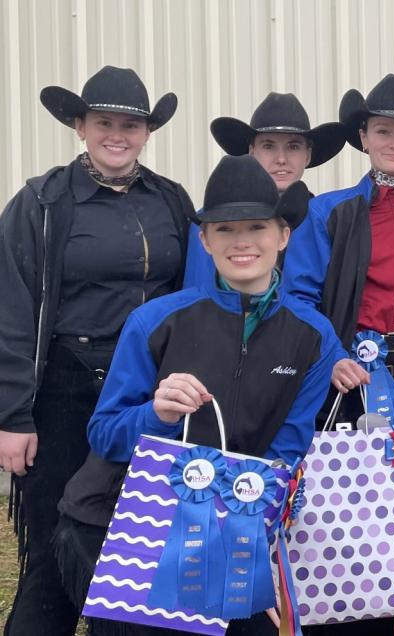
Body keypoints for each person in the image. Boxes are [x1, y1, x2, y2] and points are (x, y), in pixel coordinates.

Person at [53, 154, 341, 634]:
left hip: (236, 528)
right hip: (128, 525)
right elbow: (105, 435)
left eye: (256, 227)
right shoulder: (155, 321)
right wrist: (156, 414)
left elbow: (285, 453)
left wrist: (245, 552)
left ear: (283, 236)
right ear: (204, 240)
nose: (242, 242)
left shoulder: (315, 335)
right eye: (225, 229)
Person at [0, 66, 194, 635]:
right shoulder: (40, 203)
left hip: (145, 388)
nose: (118, 135)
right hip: (63, 386)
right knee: (59, 541)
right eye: (104, 122)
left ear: (147, 133)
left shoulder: (170, 200)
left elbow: (194, 292)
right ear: (80, 126)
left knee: (137, 545)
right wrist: (12, 416)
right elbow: (10, 312)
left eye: (131, 125)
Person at [281, 74, 394, 635]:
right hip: (351, 373)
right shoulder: (329, 212)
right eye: (385, 131)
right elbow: (299, 294)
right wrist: (331, 354)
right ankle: (341, 613)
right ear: (364, 135)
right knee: (347, 502)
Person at [183, 92, 345, 287]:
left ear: (308, 156)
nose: (281, 159)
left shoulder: (328, 222)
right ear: (252, 152)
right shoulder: (210, 221)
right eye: (269, 146)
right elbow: (197, 298)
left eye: (293, 147)